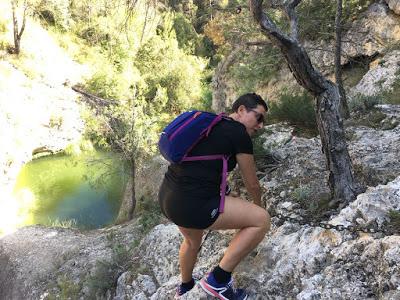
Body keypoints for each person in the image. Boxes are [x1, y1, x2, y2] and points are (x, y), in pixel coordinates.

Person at [158, 93, 271, 299]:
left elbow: (205, 165)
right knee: (260, 220)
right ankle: (218, 281)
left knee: (192, 242)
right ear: (242, 110)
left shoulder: (212, 123)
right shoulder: (239, 134)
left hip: (168, 198)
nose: (261, 125)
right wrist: (257, 206)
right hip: (192, 204)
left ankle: (185, 286)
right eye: (259, 117)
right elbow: (252, 183)